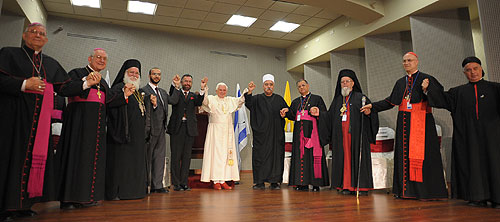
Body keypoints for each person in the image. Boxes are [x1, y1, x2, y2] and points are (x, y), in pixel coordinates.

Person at [0, 23, 86, 220]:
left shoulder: (50, 63)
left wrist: (86, 83)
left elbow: (64, 88)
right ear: (24, 35)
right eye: (33, 32)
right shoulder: (8, 54)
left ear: (46, 40)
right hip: (13, 120)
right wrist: (23, 84)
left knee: (32, 162)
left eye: (42, 34)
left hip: (39, 125)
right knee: (10, 160)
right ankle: (5, 208)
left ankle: (24, 205)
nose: (38, 36)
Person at [361, 52, 447, 200]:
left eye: (410, 60)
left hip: (422, 122)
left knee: (425, 156)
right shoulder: (400, 82)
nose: (407, 63)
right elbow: (390, 101)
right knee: (404, 155)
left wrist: (427, 90)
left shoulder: (427, 79)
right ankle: (404, 191)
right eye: (404, 61)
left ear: (417, 62)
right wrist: (372, 107)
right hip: (404, 123)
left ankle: (426, 192)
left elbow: (440, 99)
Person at [55, 48, 132, 209]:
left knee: (92, 162)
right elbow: (65, 90)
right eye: (98, 57)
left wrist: (125, 95)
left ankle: (86, 197)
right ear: (90, 58)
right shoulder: (76, 73)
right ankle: (68, 199)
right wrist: (87, 83)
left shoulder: (103, 82)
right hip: (78, 126)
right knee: (75, 159)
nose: (102, 60)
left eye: (105, 59)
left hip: (96, 130)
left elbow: (109, 101)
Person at [423, 56, 500, 208]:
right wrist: (428, 88)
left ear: (481, 69)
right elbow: (441, 99)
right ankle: (477, 197)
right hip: (469, 137)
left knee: (496, 164)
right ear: (464, 73)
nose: (473, 73)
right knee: (473, 165)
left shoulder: (496, 89)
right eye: (468, 70)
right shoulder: (458, 93)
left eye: (475, 69)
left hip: (494, 137)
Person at [322, 69, 379, 195]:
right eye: (342, 82)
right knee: (343, 159)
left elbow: (372, 114)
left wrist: (369, 114)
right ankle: (345, 186)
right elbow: (329, 117)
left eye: (348, 81)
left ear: (353, 83)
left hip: (357, 137)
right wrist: (319, 114)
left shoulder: (361, 98)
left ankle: (361, 187)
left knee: (357, 158)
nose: (345, 84)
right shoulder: (337, 100)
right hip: (340, 138)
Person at [105, 59, 150, 200]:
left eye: (137, 73)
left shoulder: (139, 92)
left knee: (135, 164)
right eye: (131, 72)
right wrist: (124, 95)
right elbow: (109, 104)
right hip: (121, 134)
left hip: (137, 136)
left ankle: (135, 191)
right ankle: (119, 192)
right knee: (122, 164)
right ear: (125, 73)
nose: (135, 75)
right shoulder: (118, 88)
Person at [244, 74, 289, 190]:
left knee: (276, 157)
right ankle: (259, 182)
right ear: (263, 86)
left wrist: (286, 112)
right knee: (260, 158)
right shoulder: (257, 98)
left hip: (276, 135)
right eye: (266, 84)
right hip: (261, 136)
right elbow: (248, 103)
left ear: (273, 86)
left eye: (271, 84)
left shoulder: (279, 99)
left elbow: (287, 112)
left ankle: (275, 182)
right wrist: (249, 92)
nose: (269, 87)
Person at [284, 79, 329, 192]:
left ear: (308, 86)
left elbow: (325, 114)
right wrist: (286, 112)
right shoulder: (295, 102)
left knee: (313, 158)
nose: (301, 88)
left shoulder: (317, 99)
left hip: (312, 133)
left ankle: (315, 184)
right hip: (299, 135)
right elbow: (292, 115)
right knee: (300, 158)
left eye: (303, 85)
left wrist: (318, 112)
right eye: (299, 86)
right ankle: (301, 183)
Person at [200, 81, 246, 190]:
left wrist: (246, 92)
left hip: (227, 131)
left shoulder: (230, 100)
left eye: (224, 90)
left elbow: (240, 101)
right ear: (216, 91)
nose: (222, 92)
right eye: (220, 90)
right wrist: (204, 89)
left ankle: (223, 180)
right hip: (215, 132)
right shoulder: (212, 99)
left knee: (226, 155)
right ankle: (216, 181)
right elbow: (205, 102)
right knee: (216, 156)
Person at [141, 68, 180, 193]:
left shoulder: (162, 92)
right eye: (154, 74)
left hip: (162, 129)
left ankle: (157, 185)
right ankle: (146, 185)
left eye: (159, 74)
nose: (157, 76)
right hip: (150, 129)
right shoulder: (143, 91)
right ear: (149, 76)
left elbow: (174, 100)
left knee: (159, 158)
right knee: (147, 159)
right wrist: (152, 103)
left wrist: (176, 86)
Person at [167, 74, 204, 191]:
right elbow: (172, 98)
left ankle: (184, 183)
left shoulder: (193, 96)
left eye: (190, 82)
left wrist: (202, 89)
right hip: (177, 128)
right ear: (182, 82)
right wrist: (175, 85)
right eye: (186, 81)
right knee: (176, 156)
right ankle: (176, 183)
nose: (187, 83)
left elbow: (199, 102)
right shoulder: (176, 91)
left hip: (190, 129)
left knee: (187, 157)